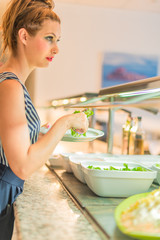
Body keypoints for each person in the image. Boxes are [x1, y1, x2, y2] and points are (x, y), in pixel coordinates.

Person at [0, 0, 88, 239]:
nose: (56, 48)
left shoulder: (12, 82)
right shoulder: (10, 86)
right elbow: (22, 165)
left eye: (57, 40)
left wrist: (41, 132)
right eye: (49, 38)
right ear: (24, 36)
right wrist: (64, 123)